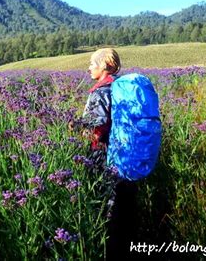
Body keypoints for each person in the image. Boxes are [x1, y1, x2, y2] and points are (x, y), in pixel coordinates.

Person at [81, 48, 138, 260]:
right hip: (128, 155)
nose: (88, 68)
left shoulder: (101, 92)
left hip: (105, 156)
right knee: (125, 210)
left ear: (104, 66)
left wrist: (75, 127)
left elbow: (96, 129)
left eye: (92, 64)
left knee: (107, 209)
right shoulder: (123, 87)